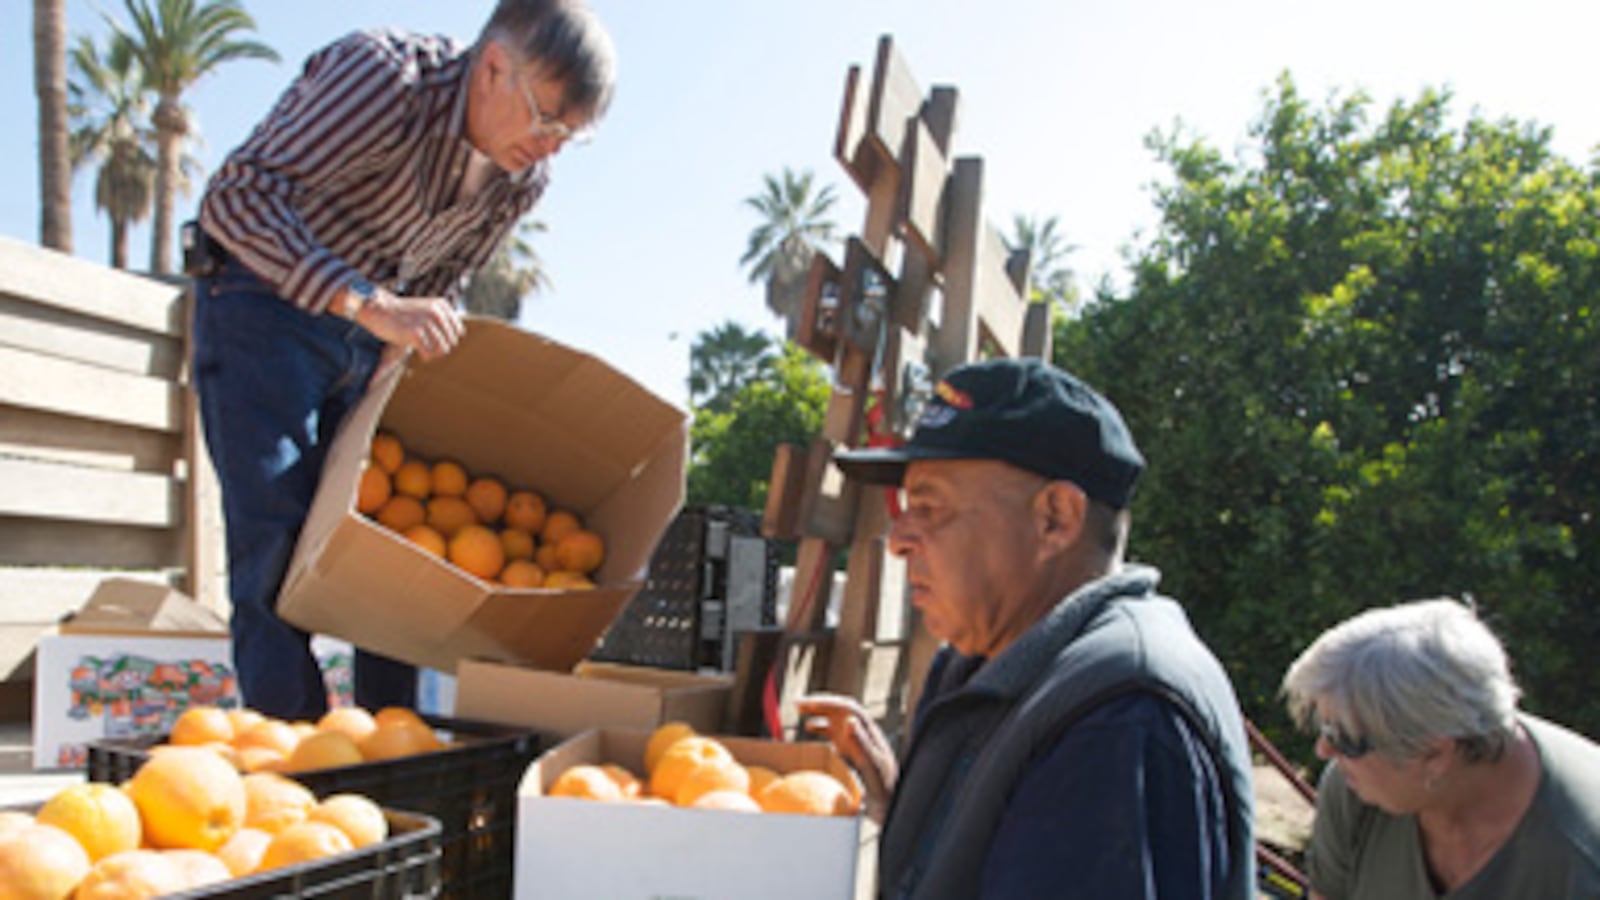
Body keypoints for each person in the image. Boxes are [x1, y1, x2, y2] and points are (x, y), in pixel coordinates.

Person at [189, 0, 616, 720]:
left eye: (569, 137)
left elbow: (441, 277)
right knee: (274, 544)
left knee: (386, 555)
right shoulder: (383, 80)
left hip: (367, 335)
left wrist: (399, 340)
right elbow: (236, 200)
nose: (550, 148)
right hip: (262, 308)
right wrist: (366, 302)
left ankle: (393, 747)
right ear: (491, 68)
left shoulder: (522, 179)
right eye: (546, 121)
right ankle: (303, 767)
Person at [801, 357, 1257, 899]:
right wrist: (908, 815)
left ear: (1055, 519)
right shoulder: (988, 666)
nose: (898, 539)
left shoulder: (1119, 720)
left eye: (928, 507)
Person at [1282, 597, 1600, 899]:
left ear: (1435, 753)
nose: (1324, 750)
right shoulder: (1353, 790)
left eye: (1346, 739)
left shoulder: (1581, 854)